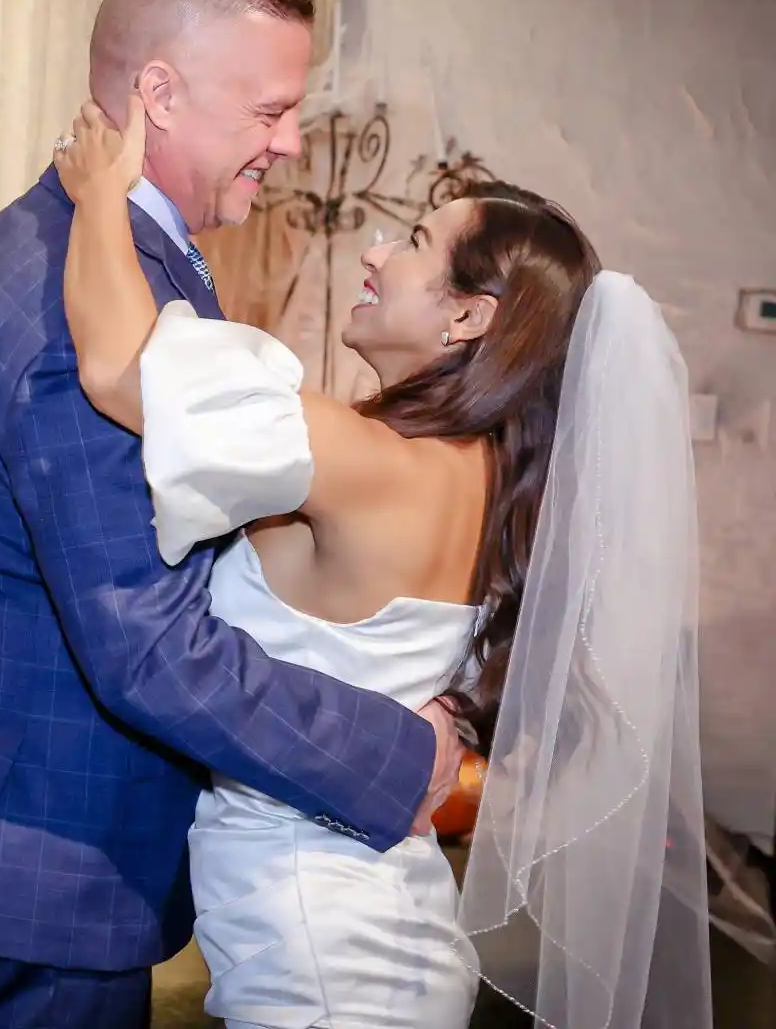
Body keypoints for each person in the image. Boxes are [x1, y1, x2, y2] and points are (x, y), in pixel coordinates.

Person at [0, 0, 466, 1029]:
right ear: (158, 93)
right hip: (55, 839)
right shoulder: (64, 308)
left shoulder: (98, 251)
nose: (290, 144)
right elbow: (146, 648)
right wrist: (395, 754)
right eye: (267, 112)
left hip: (32, 795)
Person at [52, 91, 712, 1028]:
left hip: (319, 950)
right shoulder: (499, 484)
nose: (372, 251)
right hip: (385, 915)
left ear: (469, 318)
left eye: (410, 242)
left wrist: (99, 195)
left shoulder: (373, 464)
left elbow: (117, 368)